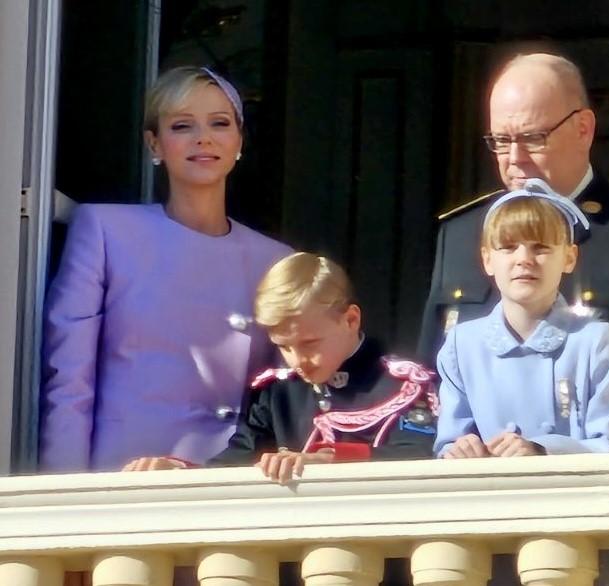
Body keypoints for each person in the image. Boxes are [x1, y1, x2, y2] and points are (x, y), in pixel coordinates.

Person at [40, 66, 291, 472]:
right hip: (125, 477)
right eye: (181, 125)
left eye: (220, 123)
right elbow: (68, 380)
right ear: (153, 143)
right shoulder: (106, 231)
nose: (203, 138)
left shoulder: (275, 259)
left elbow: (289, 391)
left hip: (231, 478)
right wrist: (63, 493)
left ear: (239, 141)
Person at [417, 53, 609, 385]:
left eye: (533, 138)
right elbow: (429, 381)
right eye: (501, 141)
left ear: (583, 130)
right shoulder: (462, 233)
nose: (514, 159)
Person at [124, 252, 437, 483]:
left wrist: (328, 459)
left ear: (351, 320)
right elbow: (237, 461)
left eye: (310, 343)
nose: (297, 361)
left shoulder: (404, 384)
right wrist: (178, 471)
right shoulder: (276, 393)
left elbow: (418, 454)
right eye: (284, 347)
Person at [435, 178, 609, 458]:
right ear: (487, 260)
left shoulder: (593, 341)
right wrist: (459, 450)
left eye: (540, 247)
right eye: (507, 247)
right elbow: (448, 442)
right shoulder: (462, 345)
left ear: (569, 257)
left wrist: (542, 449)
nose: (524, 259)